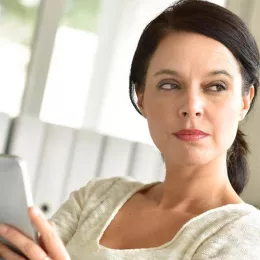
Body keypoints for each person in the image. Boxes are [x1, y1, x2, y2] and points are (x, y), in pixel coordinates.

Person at [0, 0, 260, 259]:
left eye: (216, 86)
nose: (192, 107)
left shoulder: (245, 236)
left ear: (245, 100)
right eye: (170, 85)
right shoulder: (96, 199)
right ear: (141, 96)